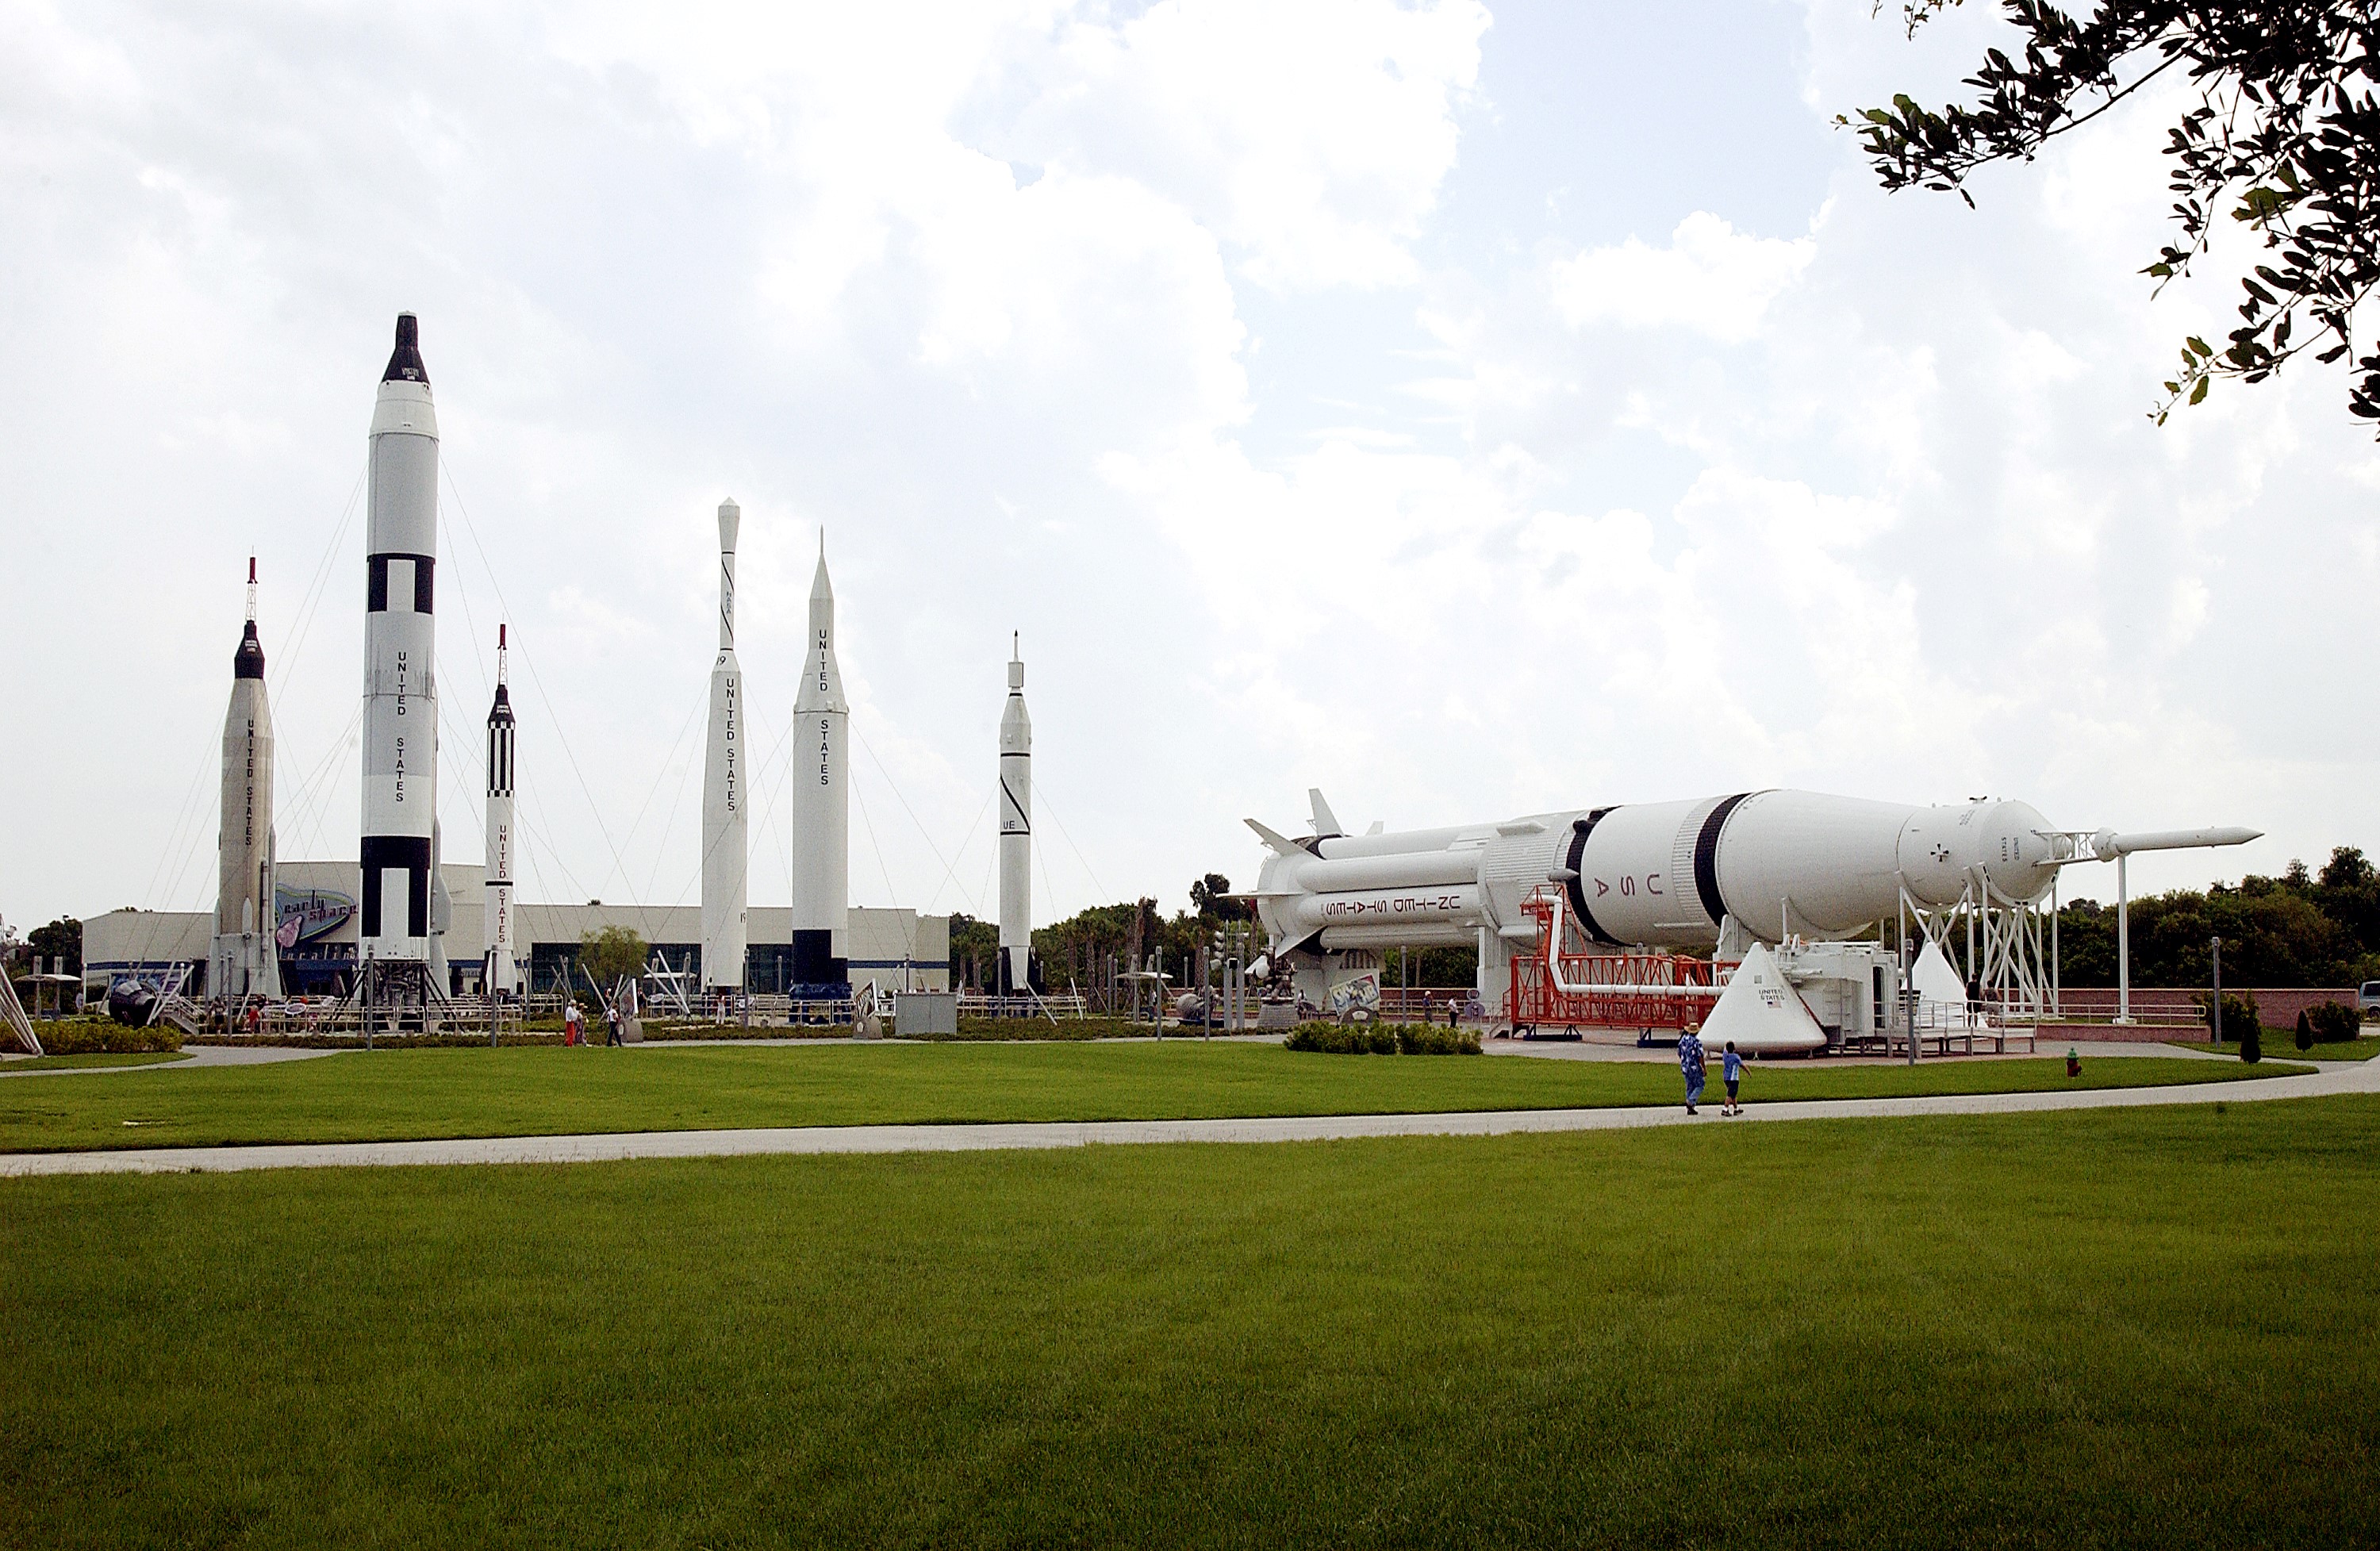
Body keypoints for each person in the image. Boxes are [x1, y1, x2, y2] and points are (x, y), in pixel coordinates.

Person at [1679, 1022, 1707, 1115]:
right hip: (1694, 1067)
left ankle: (1690, 1108)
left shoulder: (1683, 1040)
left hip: (1685, 1067)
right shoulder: (1697, 1042)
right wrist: (1704, 1068)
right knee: (1700, 1084)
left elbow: (1679, 1053)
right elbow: (1700, 1056)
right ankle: (1690, 1101)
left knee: (1689, 1086)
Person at [1722, 1039, 1744, 1115]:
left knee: (1733, 1094)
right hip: (1733, 1078)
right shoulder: (1736, 1057)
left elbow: (1725, 1049)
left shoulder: (1725, 1056)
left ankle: (1736, 1109)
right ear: (1734, 1049)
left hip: (1726, 1077)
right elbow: (1742, 1065)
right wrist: (1749, 1072)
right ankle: (1725, 1109)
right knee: (1730, 1094)